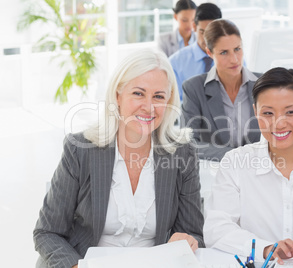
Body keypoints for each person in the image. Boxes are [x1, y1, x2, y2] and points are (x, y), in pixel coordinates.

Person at [33, 48, 204, 268]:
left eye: (159, 96)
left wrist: (188, 240)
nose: (149, 107)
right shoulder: (81, 149)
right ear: (117, 96)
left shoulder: (183, 153)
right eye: (138, 93)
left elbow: (193, 233)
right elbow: (47, 232)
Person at [203, 67, 293, 264]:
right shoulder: (236, 163)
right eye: (268, 113)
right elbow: (216, 229)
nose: (278, 124)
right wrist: (267, 248)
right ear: (255, 111)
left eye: (290, 112)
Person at [181, 19, 261, 161]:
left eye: (237, 49)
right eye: (224, 52)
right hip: (216, 174)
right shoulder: (194, 88)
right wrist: (234, 157)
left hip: (260, 171)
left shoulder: (264, 84)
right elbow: (189, 143)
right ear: (209, 52)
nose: (234, 59)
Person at [169, 3, 222, 100]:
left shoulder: (234, 59)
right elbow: (174, 102)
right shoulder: (175, 62)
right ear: (194, 26)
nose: (207, 39)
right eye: (203, 32)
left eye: (213, 33)